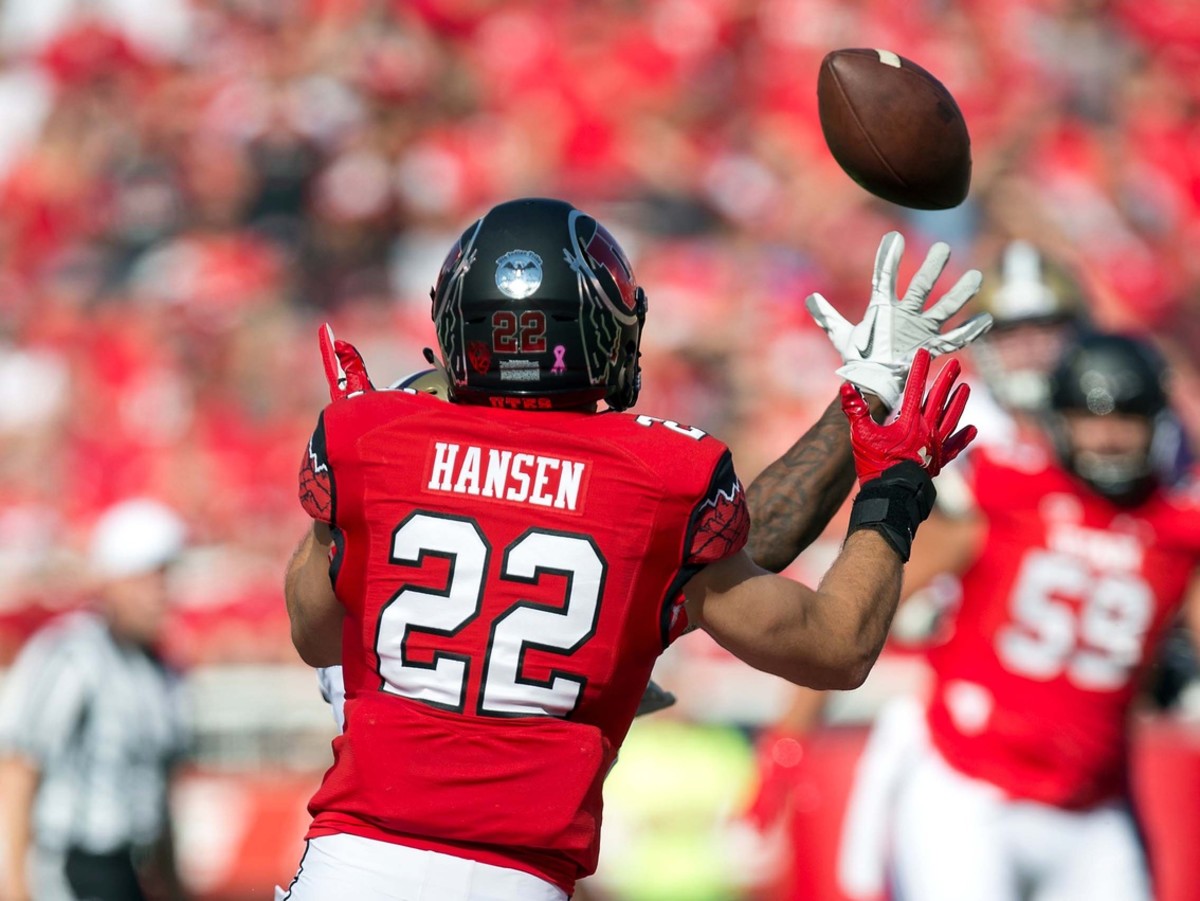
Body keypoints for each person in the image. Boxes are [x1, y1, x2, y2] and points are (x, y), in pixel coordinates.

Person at [282, 198, 988, 900]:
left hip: (351, 867)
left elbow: (316, 634)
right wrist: (891, 493)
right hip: (516, 880)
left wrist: (341, 515)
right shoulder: (655, 478)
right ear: (602, 330)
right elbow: (833, 643)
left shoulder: (370, 440)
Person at [879, 331, 1200, 901]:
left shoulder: (1178, 532)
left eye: (1126, 418)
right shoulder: (1002, 490)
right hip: (967, 787)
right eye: (1090, 417)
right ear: (1059, 420)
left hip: (1090, 807)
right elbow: (868, 603)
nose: (1107, 436)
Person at [0, 498, 191, 901]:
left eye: (164, 579)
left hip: (130, 871)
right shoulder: (71, 654)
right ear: (114, 582)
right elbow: (19, 769)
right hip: (70, 867)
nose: (160, 594)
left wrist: (173, 886)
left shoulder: (163, 673)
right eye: (147, 579)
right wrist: (14, 885)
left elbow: (161, 795)